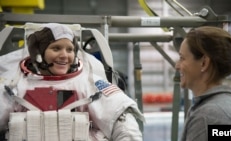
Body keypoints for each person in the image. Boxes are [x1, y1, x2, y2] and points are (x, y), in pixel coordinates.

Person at [0, 23, 144, 141]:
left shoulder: (90, 83)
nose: (64, 56)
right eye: (56, 48)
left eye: (70, 50)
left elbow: (123, 123)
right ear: (38, 53)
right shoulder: (14, 84)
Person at [175, 26, 231, 141]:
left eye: (182, 58)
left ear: (204, 63)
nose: (177, 66)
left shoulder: (207, 116)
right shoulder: (228, 107)